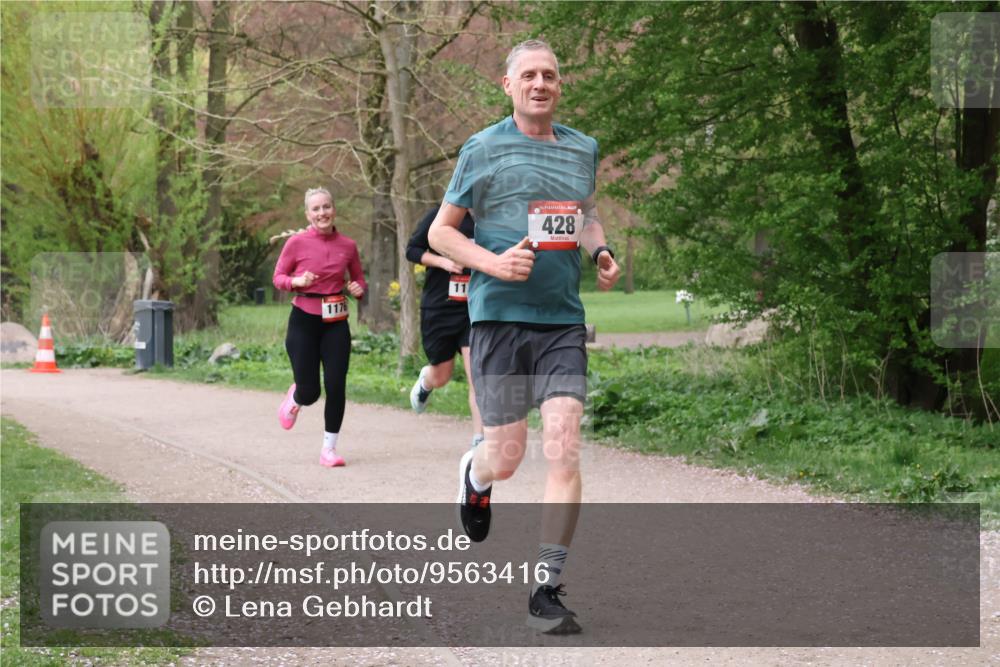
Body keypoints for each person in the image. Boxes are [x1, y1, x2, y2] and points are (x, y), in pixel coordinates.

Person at [428, 39, 621, 634]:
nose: (541, 84)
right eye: (529, 76)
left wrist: (602, 250)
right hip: (500, 319)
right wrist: (491, 263)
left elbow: (584, 213)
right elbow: (440, 233)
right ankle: (476, 475)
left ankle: (546, 587)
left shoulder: (582, 148)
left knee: (563, 441)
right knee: (506, 457)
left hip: (561, 318)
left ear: (560, 86)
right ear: (508, 85)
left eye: (551, 76)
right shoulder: (482, 149)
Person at [273, 187, 367, 467]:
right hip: (304, 319)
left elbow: (360, 281)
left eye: (326, 207)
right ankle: (295, 398)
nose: (322, 213)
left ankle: (329, 449)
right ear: (308, 214)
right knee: (311, 391)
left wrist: (357, 289)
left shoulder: (348, 246)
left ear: (333, 209)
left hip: (336, 322)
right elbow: (278, 277)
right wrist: (296, 282)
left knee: (336, 385)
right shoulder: (296, 243)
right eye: (316, 209)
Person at [405, 205, 484, 448]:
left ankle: (480, 441)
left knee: (478, 376)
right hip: (440, 307)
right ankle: (426, 381)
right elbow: (413, 250)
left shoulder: (491, 221)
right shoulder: (441, 215)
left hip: (474, 309)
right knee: (442, 375)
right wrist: (443, 261)